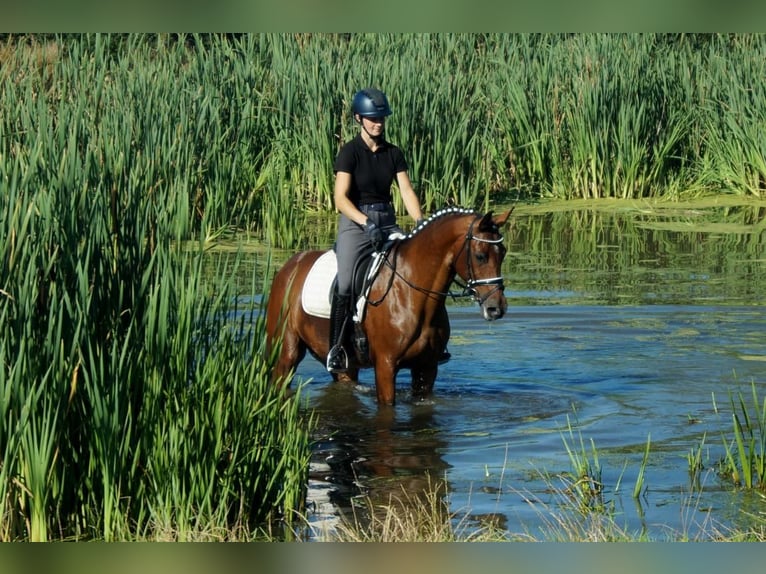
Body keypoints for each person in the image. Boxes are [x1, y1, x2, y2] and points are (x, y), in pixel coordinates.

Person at [326, 87, 424, 373]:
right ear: (359, 118)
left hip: (388, 221)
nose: (378, 123)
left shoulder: (394, 153)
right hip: (356, 224)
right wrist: (365, 223)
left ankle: (430, 342)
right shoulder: (349, 152)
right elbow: (340, 198)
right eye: (372, 118)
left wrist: (420, 223)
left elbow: (406, 190)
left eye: (381, 118)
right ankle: (336, 350)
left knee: (418, 267)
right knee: (345, 282)